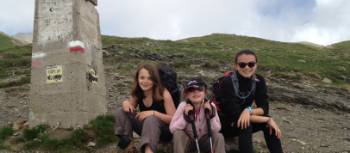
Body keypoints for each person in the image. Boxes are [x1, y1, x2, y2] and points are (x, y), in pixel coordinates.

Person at [215, 49, 283, 153]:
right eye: (242, 64)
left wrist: (248, 110)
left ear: (256, 65)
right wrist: (267, 119)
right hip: (223, 124)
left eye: (251, 64)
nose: (247, 67)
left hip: (243, 118)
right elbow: (235, 115)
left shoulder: (259, 81)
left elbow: (264, 108)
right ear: (236, 66)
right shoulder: (227, 83)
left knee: (267, 124)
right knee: (247, 124)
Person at [115, 63, 176, 153]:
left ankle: (148, 151)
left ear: (155, 80)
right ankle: (129, 147)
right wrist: (125, 103)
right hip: (146, 129)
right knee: (121, 111)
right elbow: (129, 108)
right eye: (142, 78)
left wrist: (153, 113)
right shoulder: (138, 91)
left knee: (151, 119)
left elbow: (174, 119)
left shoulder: (163, 93)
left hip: (165, 132)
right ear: (137, 79)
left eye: (149, 78)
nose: (145, 81)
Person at [170, 78, 225, 153]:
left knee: (219, 136)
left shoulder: (211, 105)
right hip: (188, 142)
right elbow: (172, 129)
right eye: (191, 90)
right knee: (178, 134)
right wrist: (185, 117)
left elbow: (217, 129)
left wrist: (210, 115)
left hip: (205, 141)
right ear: (186, 95)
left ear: (205, 93)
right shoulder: (183, 106)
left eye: (199, 89)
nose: (196, 92)